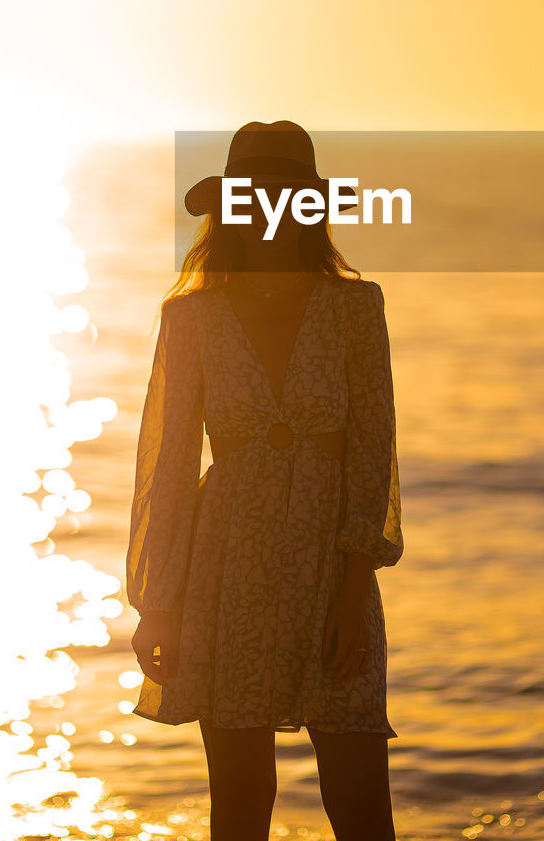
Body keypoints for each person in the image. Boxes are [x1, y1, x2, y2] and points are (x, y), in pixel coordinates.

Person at [127, 121, 404, 841]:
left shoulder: (353, 308)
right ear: (231, 207)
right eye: (254, 196)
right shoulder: (190, 318)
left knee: (361, 806)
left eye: (287, 196)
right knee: (242, 807)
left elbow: (373, 452)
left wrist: (352, 586)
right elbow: (167, 465)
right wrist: (157, 605)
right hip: (226, 569)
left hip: (328, 569)